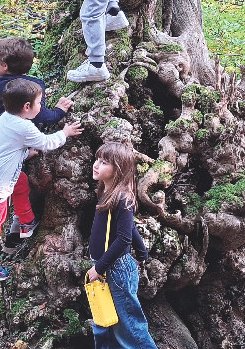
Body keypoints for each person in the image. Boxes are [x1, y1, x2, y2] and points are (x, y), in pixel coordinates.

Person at [0, 79, 83, 300]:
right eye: (39, 103)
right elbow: (47, 143)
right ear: (26, 107)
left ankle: (26, 221)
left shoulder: (7, 118)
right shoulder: (23, 126)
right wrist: (66, 133)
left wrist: (25, 154)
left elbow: (4, 148)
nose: (41, 107)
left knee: (21, 182)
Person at [0, 37, 73, 243]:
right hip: (9, 149)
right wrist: (60, 111)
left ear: (5, 65)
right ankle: (13, 230)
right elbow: (42, 116)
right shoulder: (35, 86)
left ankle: (17, 228)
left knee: (6, 195)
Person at [87, 142, 155, 349]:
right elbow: (130, 230)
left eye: (104, 162)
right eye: (97, 159)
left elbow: (124, 238)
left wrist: (99, 268)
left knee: (129, 327)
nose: (96, 165)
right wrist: (142, 253)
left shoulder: (123, 198)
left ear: (118, 170)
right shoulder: (105, 193)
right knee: (104, 321)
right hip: (103, 267)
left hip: (114, 270)